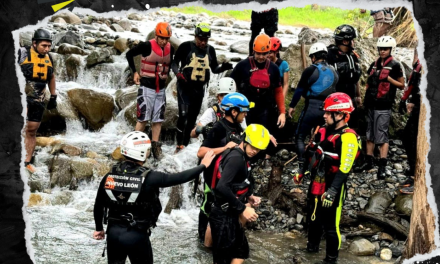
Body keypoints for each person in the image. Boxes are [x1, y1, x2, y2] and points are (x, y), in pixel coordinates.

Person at [92, 131, 215, 264]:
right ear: (143, 153)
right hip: (137, 235)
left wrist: (99, 228)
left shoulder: (109, 176)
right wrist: (203, 165)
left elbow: (98, 205)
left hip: (113, 235)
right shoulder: (150, 177)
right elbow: (179, 178)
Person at [294, 93, 360, 264]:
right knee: (313, 217)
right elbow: (311, 153)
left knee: (331, 225)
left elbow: (344, 169)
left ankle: (331, 260)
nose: (324, 115)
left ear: (339, 115)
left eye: (327, 113)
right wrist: (302, 171)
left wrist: (332, 191)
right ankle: (311, 249)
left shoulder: (348, 137)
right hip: (317, 180)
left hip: (333, 185)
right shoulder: (322, 130)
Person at [196, 92, 251, 247]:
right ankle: (203, 243)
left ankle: (224, 239)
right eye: (243, 111)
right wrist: (224, 147)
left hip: (228, 177)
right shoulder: (218, 128)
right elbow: (200, 152)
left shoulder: (239, 127)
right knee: (208, 206)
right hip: (212, 177)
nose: (246, 114)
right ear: (233, 112)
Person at [209, 124, 269, 264]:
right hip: (223, 216)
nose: (255, 151)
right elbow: (222, 187)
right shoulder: (236, 158)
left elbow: (234, 182)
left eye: (258, 148)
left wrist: (248, 196)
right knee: (226, 258)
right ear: (245, 140)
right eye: (253, 146)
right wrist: (243, 208)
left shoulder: (242, 154)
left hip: (227, 213)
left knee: (240, 252)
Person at [171, 22, 233, 153]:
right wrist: (178, 74)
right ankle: (178, 144)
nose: (203, 42)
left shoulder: (210, 50)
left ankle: (185, 145)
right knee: (183, 115)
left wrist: (223, 67)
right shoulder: (185, 47)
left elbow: (214, 69)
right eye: (201, 39)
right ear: (195, 36)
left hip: (199, 90)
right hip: (184, 87)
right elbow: (174, 63)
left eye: (205, 40)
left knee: (192, 118)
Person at [231, 33, 286, 169]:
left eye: (265, 54)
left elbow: (278, 91)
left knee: (261, 134)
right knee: (245, 134)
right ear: (253, 51)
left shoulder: (273, 68)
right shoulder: (242, 66)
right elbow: (231, 85)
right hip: (245, 109)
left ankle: (257, 161)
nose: (261, 57)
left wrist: (282, 112)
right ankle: (240, 159)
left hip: (264, 109)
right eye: (258, 54)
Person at [288, 42, 338, 178]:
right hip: (327, 110)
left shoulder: (310, 70)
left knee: (299, 136)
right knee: (322, 138)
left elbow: (299, 90)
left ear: (314, 57)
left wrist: (292, 106)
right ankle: (318, 164)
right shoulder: (334, 70)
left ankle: (301, 165)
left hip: (311, 107)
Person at [357, 36, 405, 179]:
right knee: (370, 133)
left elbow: (402, 85)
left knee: (382, 135)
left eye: (385, 49)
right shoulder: (374, 64)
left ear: (391, 49)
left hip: (384, 106)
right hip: (371, 104)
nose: (382, 51)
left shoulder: (396, 66)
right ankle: (369, 161)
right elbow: (368, 83)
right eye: (380, 49)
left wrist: (389, 79)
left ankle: (382, 166)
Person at [125, 22, 174, 161]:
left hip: (161, 89)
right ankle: (132, 146)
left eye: (167, 38)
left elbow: (172, 64)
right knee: (143, 119)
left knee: (158, 119)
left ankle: (155, 147)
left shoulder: (171, 48)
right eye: (161, 38)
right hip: (146, 87)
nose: (164, 41)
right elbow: (129, 54)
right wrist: (134, 72)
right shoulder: (147, 46)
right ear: (156, 35)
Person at [18, 28, 57, 174]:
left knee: (32, 129)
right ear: (34, 43)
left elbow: (51, 77)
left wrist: (53, 96)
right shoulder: (22, 53)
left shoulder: (49, 57)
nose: (47, 49)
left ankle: (26, 161)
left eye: (49, 46)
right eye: (44, 46)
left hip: (38, 98)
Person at [326, 24, 362, 129]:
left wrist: (358, 95)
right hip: (335, 98)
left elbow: (356, 79)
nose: (353, 42)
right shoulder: (330, 55)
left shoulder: (353, 56)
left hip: (350, 98)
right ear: (345, 41)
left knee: (352, 127)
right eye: (352, 40)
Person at [399, 46, 422, 194]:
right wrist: (410, 100)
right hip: (420, 103)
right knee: (409, 136)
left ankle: (419, 177)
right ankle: (414, 171)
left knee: (414, 138)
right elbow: (414, 82)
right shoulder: (420, 64)